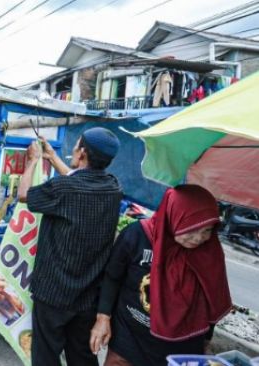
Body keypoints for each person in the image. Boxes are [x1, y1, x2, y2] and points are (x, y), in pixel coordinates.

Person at [90, 185, 232, 366]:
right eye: (191, 229)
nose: (198, 238)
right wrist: (102, 319)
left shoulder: (208, 252)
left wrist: (206, 338)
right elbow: (112, 277)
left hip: (180, 349)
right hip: (130, 339)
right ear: (173, 216)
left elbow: (211, 297)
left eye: (206, 230)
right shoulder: (137, 236)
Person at [18, 128, 123, 366]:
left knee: (46, 357)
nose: (73, 150)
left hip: (53, 295)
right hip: (87, 297)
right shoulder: (114, 188)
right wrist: (53, 158)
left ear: (83, 153)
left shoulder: (63, 189)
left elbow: (24, 194)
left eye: (77, 146)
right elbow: (78, 182)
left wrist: (33, 161)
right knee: (82, 358)